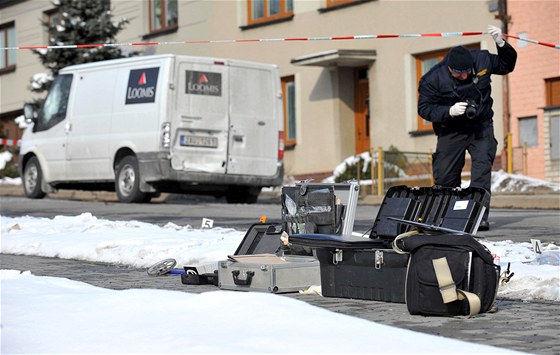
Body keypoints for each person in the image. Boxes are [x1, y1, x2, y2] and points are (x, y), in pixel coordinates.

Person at [418, 25, 517, 231]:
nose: (463, 76)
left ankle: (477, 217)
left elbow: (507, 65)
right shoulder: (432, 79)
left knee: (481, 168)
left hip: (480, 125)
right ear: (448, 69)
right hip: (451, 128)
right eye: (458, 74)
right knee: (445, 176)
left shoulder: (482, 60)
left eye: (466, 73)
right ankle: (447, 216)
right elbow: (424, 109)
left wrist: (501, 43)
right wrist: (449, 111)